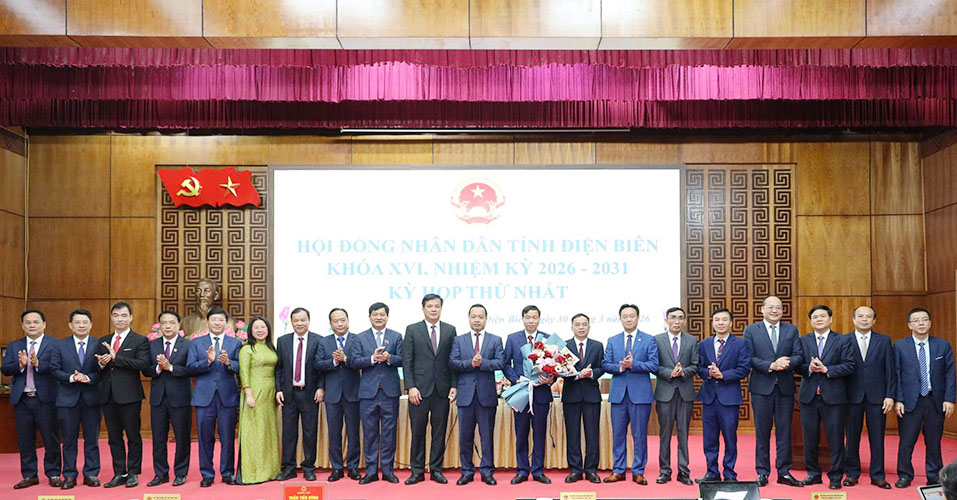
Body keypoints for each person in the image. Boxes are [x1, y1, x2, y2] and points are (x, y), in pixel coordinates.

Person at [743, 295, 804, 487]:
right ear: (762, 309)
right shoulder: (751, 330)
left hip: (785, 388)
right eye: (770, 307)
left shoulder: (791, 330)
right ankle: (762, 472)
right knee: (762, 431)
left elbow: (799, 355)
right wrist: (771, 365)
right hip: (761, 388)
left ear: (782, 311)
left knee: (785, 431)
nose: (775, 310)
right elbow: (748, 357)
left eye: (778, 307)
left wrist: (785, 364)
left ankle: (784, 472)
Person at [894, 307, 956, 488]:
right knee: (906, 441)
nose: (920, 323)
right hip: (909, 401)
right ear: (909, 325)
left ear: (930, 323)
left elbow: (950, 374)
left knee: (934, 441)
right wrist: (898, 399)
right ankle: (905, 475)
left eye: (924, 320)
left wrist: (949, 399)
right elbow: (896, 374)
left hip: (934, 400)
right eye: (916, 320)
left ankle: (934, 476)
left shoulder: (942, 345)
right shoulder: (899, 346)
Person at [796, 305, 855, 489]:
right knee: (810, 438)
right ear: (811, 321)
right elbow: (797, 365)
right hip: (809, 397)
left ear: (830, 319)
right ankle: (813, 474)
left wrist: (827, 369)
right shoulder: (803, 340)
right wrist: (808, 368)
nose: (819, 319)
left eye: (823, 316)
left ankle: (836, 476)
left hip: (834, 398)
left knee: (836, 439)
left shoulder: (842, 340)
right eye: (815, 317)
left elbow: (849, 365)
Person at [2, 309, 62, 489]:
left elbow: (58, 368)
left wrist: (38, 364)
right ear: (22, 325)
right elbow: (5, 369)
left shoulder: (55, 344)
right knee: (25, 439)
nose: (32, 325)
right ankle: (29, 475)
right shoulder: (14, 345)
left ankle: (53, 473)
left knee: (50, 438)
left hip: (46, 399)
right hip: (22, 399)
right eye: (28, 322)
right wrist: (20, 365)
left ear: (44, 324)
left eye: (36, 322)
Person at [402, 294, 458, 485]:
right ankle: (417, 471)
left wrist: (454, 385)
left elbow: (452, 361)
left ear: (441, 308)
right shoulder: (412, 330)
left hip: (442, 390)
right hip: (418, 390)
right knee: (417, 431)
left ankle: (436, 470)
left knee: (439, 432)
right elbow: (407, 361)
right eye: (430, 306)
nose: (433, 309)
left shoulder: (450, 330)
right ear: (423, 308)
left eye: (437, 306)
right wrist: (410, 386)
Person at [94, 301, 150, 488]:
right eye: (116, 315)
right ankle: (119, 472)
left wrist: (117, 358)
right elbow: (96, 368)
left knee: (133, 436)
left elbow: (142, 364)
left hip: (130, 395)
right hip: (108, 395)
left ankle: (133, 472)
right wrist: (101, 363)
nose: (120, 319)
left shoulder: (139, 340)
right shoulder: (103, 340)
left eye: (124, 315)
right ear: (111, 317)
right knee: (114, 437)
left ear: (131, 318)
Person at [601, 304, 658, 485]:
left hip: (640, 395)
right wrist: (620, 367)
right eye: (625, 316)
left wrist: (634, 364)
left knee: (639, 435)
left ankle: (638, 471)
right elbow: (605, 364)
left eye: (631, 316)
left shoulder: (649, 340)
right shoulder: (612, 340)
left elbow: (654, 365)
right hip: (619, 395)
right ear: (620, 319)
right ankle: (618, 470)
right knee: (618, 435)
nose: (628, 319)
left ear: (638, 318)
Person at [449, 304, 505, 486]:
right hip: (465, 395)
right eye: (474, 316)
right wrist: (470, 364)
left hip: (486, 395)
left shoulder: (495, 340)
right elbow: (453, 362)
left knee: (486, 436)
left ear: (486, 319)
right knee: (465, 437)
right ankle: (467, 471)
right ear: (469, 318)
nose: (477, 320)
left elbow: (500, 362)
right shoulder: (459, 340)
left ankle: (487, 471)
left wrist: (483, 363)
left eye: (481, 316)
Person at [187, 306, 242, 487]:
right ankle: (207, 474)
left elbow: (240, 367)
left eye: (220, 320)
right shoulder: (196, 343)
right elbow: (190, 368)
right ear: (208, 322)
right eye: (214, 320)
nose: (217, 323)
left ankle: (227, 472)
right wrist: (208, 361)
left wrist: (229, 362)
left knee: (227, 437)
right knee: (205, 438)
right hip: (204, 397)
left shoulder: (235, 343)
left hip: (228, 396)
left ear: (226, 323)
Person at [695, 308, 751, 483]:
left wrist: (723, 375)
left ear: (731, 323)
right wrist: (708, 373)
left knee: (730, 438)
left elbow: (744, 368)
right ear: (712, 323)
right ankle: (712, 472)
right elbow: (699, 368)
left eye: (724, 319)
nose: (720, 323)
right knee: (709, 439)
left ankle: (729, 473)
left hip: (729, 398)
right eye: (717, 320)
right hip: (709, 398)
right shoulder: (704, 344)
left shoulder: (740, 343)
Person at [349, 302, 403, 484]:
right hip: (368, 393)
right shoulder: (360, 338)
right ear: (369, 317)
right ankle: (371, 471)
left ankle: (388, 471)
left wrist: (389, 358)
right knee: (370, 433)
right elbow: (354, 362)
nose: (378, 317)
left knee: (389, 433)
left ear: (387, 316)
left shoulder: (396, 336)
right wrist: (372, 358)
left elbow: (403, 360)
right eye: (375, 314)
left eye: (382, 314)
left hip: (390, 392)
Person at [843, 305, 896, 489]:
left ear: (874, 320)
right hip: (851, 397)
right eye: (860, 316)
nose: (864, 319)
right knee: (852, 437)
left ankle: (878, 475)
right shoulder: (844, 340)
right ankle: (852, 473)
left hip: (878, 397)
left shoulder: (884, 340)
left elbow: (890, 370)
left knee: (877, 437)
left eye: (868, 316)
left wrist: (890, 395)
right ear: (853, 319)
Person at [50, 309, 102, 489]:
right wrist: (71, 377)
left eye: (85, 322)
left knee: (92, 439)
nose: (81, 325)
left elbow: (102, 370)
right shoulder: (60, 345)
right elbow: (54, 370)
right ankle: (69, 475)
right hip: (67, 399)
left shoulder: (99, 344)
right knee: (69, 440)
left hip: (91, 398)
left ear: (91, 324)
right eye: (77, 322)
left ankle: (91, 473)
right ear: (70, 325)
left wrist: (88, 377)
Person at [504, 304, 555, 484]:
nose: (531, 321)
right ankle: (522, 470)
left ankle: (538, 471)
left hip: (541, 393)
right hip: (521, 393)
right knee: (521, 433)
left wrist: (551, 378)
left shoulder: (547, 339)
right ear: (523, 319)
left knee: (540, 434)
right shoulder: (513, 338)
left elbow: (555, 365)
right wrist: (515, 379)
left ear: (539, 319)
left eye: (534, 317)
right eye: (528, 317)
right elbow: (505, 364)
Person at [143, 310, 192, 487]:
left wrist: (170, 367)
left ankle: (181, 473)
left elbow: (191, 369)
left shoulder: (187, 345)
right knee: (158, 438)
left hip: (180, 398)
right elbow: (145, 369)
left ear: (178, 325)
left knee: (182, 437)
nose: (168, 326)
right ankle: (161, 473)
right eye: (164, 323)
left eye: (172, 323)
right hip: (158, 399)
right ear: (159, 326)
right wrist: (158, 368)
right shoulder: (152, 345)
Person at [275, 307, 322, 481]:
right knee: (289, 433)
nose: (300, 323)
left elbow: (322, 368)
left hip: (310, 394)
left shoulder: (319, 340)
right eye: (296, 320)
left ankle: (309, 467)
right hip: (289, 394)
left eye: (303, 320)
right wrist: (279, 389)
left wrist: (321, 387)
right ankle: (289, 467)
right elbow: (278, 368)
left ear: (308, 321)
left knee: (310, 432)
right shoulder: (283, 341)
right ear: (291, 322)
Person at [314, 308, 361, 481]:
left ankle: (353, 467)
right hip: (332, 394)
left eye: (343, 320)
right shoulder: (323, 342)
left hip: (353, 392)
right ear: (330, 323)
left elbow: (360, 362)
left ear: (348, 321)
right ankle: (337, 468)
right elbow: (318, 364)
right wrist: (334, 361)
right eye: (336, 321)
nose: (340, 324)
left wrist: (346, 359)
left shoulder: (357, 339)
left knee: (354, 432)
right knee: (334, 433)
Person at [654, 306, 699, 485]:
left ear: (685, 321)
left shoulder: (691, 340)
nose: (677, 321)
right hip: (665, 392)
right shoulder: (657, 340)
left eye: (680, 318)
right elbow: (654, 365)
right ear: (666, 320)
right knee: (665, 434)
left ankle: (683, 471)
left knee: (683, 434)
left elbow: (695, 365)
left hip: (685, 393)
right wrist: (669, 372)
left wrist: (683, 371)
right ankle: (664, 471)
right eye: (673, 317)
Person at [238, 316, 281, 484]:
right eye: (256, 327)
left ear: (268, 329)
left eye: (263, 327)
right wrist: (248, 394)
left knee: (268, 431)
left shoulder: (271, 348)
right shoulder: (247, 349)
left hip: (270, 394)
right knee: (254, 432)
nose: (260, 330)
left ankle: (271, 471)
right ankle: (254, 473)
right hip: (254, 393)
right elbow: (244, 373)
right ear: (251, 331)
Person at [561, 313, 604, 484]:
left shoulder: (597, 346)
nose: (581, 327)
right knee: (572, 434)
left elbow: (602, 367)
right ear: (572, 327)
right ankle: (575, 470)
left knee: (592, 434)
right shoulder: (564, 346)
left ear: (589, 327)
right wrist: (578, 375)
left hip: (591, 395)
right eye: (577, 324)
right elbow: (560, 371)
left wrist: (592, 373)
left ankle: (591, 470)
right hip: (571, 395)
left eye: (584, 324)